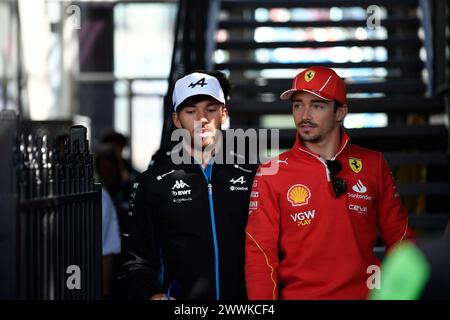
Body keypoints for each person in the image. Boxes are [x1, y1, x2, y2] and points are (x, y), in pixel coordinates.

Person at [245, 66, 415, 300]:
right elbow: (260, 253)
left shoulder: (373, 164)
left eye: (317, 105)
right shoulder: (270, 172)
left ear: (340, 112)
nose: (304, 115)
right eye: (298, 105)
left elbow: (401, 238)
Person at [118, 71, 258, 300]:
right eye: (191, 111)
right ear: (176, 119)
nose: (201, 119)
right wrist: (153, 294)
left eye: (210, 109)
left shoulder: (253, 173)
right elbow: (135, 260)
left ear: (224, 113)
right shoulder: (152, 182)